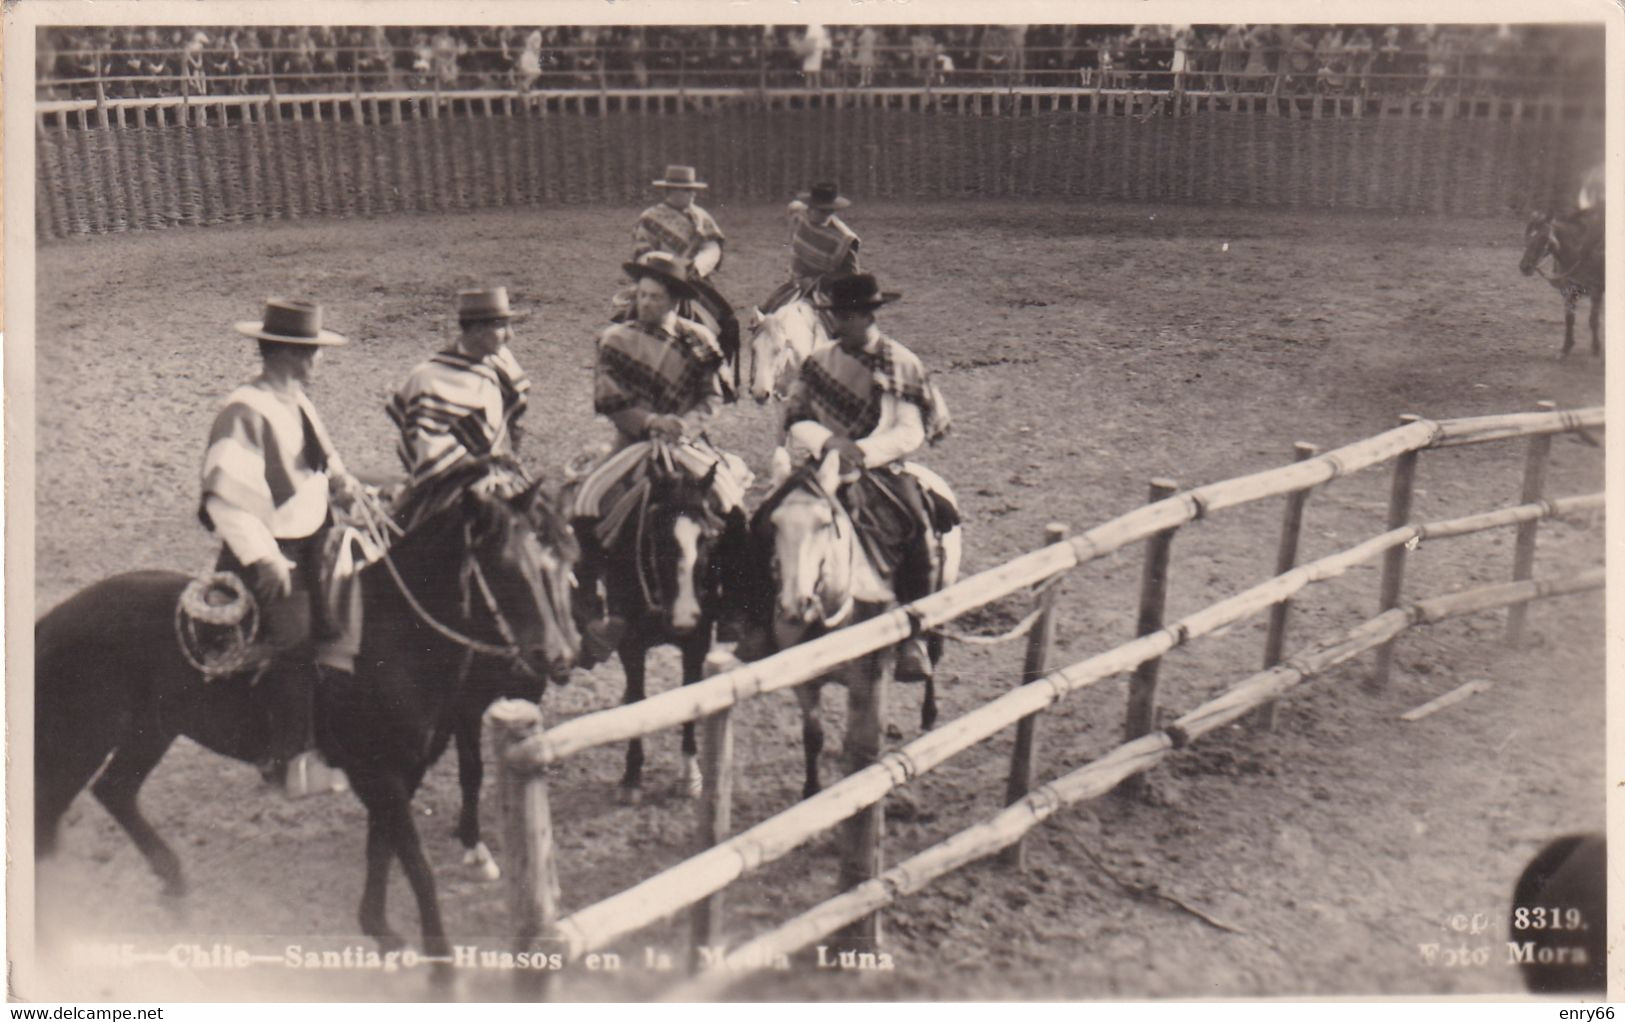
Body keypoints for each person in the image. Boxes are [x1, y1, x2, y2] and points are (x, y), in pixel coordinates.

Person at [199, 298, 360, 793]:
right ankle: (287, 761)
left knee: (347, 623)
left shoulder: (297, 400)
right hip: (273, 553)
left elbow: (323, 460)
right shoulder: (243, 409)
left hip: (314, 541)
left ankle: (332, 740)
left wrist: (343, 483)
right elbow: (224, 498)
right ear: (282, 353)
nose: (316, 361)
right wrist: (265, 557)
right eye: (308, 352)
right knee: (294, 642)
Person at [768, 273, 954, 680]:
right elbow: (797, 418)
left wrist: (864, 453)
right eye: (836, 315)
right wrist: (829, 443)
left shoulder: (900, 361)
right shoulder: (818, 362)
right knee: (773, 517)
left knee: (917, 524)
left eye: (847, 316)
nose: (839, 323)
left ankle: (915, 635)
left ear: (869, 316)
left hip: (882, 468)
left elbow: (910, 429)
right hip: (826, 461)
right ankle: (757, 624)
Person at [571, 253, 752, 658]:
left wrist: (685, 425)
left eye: (654, 297)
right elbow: (608, 399)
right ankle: (589, 601)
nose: (645, 303)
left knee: (733, 508)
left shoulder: (699, 340)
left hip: (687, 445)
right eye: (641, 295)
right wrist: (650, 423)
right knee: (585, 502)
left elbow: (713, 396)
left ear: (673, 301)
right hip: (632, 442)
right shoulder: (614, 339)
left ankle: (733, 607)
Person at [387, 287, 531, 494]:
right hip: (448, 486)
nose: (510, 335)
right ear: (477, 330)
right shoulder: (428, 378)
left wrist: (508, 460)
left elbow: (516, 418)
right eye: (502, 327)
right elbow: (424, 445)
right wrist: (475, 467)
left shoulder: (503, 364)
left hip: (500, 477)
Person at [755, 182, 861, 321]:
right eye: (821, 210)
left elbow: (851, 276)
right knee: (765, 315)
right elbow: (793, 207)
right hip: (797, 284)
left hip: (828, 291)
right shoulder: (801, 217)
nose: (825, 215)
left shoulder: (843, 238)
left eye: (830, 211)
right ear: (810, 207)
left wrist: (817, 283)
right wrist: (801, 280)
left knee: (846, 328)